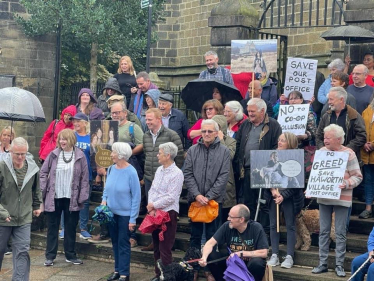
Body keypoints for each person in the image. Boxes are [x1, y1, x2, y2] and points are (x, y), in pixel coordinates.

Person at [311, 124, 362, 277]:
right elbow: (316, 174)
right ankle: (323, 263)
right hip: (324, 197)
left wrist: (346, 183)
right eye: (324, 137)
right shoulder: (321, 152)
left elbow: (358, 176)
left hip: (342, 198)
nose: (325, 140)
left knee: (340, 233)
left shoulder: (349, 153)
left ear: (338, 139)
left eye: (328, 137)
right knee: (323, 232)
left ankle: (339, 265)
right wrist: (311, 188)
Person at [184, 119, 231, 281]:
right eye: (203, 131)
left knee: (213, 237)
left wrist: (209, 196)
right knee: (195, 237)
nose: (206, 134)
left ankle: (210, 269)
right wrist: (197, 195)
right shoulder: (192, 150)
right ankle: (194, 269)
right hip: (196, 201)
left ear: (217, 133)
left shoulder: (224, 151)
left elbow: (223, 176)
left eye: (210, 131)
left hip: (214, 202)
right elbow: (187, 173)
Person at [40, 129, 89, 266]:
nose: (62, 141)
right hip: (54, 197)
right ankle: (50, 256)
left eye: (65, 139)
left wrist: (82, 197)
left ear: (72, 140)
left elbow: (85, 179)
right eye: (61, 139)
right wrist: (43, 190)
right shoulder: (53, 154)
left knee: (70, 227)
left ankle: (70, 255)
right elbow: (43, 172)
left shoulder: (80, 156)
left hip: (72, 197)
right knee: (52, 227)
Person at [233, 98, 282, 231]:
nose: (250, 114)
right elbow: (238, 143)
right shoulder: (245, 124)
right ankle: (249, 230)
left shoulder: (273, 125)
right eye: (248, 111)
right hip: (247, 170)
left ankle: (264, 232)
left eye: (252, 111)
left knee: (264, 203)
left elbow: (277, 148)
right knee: (248, 203)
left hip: (264, 171)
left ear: (262, 111)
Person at [0, 137, 42, 280]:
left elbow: (36, 189)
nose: (20, 157)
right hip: (3, 218)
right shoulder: (2, 166)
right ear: (10, 152)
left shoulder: (32, 167)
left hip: (24, 217)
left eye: (23, 154)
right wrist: (2, 212)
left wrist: (37, 205)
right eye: (17, 154)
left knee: (22, 252)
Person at [102, 142, 141, 281]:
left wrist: (133, 219)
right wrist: (104, 200)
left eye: (113, 152)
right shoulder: (112, 169)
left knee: (123, 243)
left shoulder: (131, 172)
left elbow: (136, 196)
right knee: (114, 242)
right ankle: (117, 270)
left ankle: (124, 273)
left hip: (125, 214)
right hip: (111, 213)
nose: (111, 154)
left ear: (121, 155)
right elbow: (107, 188)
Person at [199, 204, 268, 281]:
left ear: (241, 219)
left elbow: (264, 253)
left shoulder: (256, 227)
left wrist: (240, 253)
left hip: (249, 264)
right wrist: (204, 257)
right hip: (232, 262)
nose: (228, 219)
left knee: (257, 263)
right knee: (211, 255)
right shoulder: (227, 226)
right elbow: (210, 243)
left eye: (231, 217)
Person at [265, 132, 304, 269]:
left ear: (290, 143)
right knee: (273, 224)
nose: (279, 142)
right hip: (273, 196)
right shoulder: (272, 156)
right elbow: (266, 175)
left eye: (283, 141)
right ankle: (274, 253)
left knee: (290, 225)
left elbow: (296, 182)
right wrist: (272, 191)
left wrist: (283, 195)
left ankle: (289, 255)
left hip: (289, 198)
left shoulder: (296, 158)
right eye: (279, 140)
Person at [147, 142, 184, 281]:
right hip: (155, 212)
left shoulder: (177, 173)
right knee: (156, 245)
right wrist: (151, 206)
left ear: (168, 155)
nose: (157, 155)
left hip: (168, 213)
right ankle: (158, 274)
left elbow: (171, 197)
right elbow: (153, 189)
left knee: (165, 248)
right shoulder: (159, 170)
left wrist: (154, 204)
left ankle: (167, 276)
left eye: (160, 153)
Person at [316, 87, 366, 157]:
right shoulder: (326, 116)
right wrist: (322, 148)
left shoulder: (354, 116)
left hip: (349, 158)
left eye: (331, 99)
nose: (329, 102)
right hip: (328, 157)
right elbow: (318, 135)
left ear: (341, 99)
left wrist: (347, 149)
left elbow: (361, 136)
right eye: (329, 99)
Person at [212, 115, 237, 224]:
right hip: (210, 183)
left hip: (225, 184)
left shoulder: (231, 141)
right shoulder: (206, 139)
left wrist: (221, 140)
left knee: (222, 218)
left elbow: (229, 156)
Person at [72, 113, 93, 239]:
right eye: (74, 121)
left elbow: (95, 156)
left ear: (85, 123)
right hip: (71, 173)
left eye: (78, 121)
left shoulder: (91, 137)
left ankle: (83, 228)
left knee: (84, 201)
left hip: (87, 174)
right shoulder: (71, 136)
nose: (76, 123)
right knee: (69, 199)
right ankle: (65, 228)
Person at [358, 98, 374, 219]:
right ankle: (368, 208)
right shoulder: (367, 110)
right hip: (367, 154)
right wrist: (364, 142)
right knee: (368, 181)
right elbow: (361, 129)